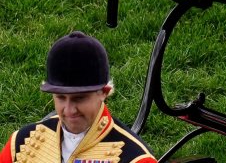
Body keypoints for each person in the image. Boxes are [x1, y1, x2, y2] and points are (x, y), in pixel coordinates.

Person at [1, 32, 156, 163]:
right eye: (61, 97)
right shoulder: (21, 141)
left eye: (79, 98)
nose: (69, 110)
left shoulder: (136, 158)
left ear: (104, 92)